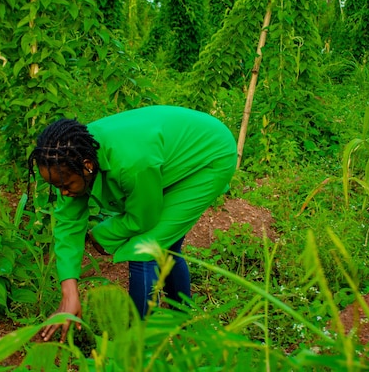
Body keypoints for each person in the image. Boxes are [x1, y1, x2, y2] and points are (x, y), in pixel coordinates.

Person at [28, 105, 237, 341]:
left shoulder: (130, 164)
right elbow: (67, 223)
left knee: (144, 248)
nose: (63, 193)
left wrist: (102, 235)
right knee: (166, 245)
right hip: (166, 158)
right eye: (57, 187)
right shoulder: (69, 160)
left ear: (88, 166)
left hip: (209, 157)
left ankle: (140, 346)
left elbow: (142, 219)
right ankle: (183, 324)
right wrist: (69, 290)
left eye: (66, 186)